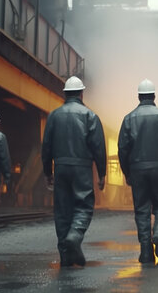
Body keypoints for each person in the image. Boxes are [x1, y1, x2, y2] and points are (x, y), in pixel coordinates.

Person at [41, 76, 107, 267]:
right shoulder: (90, 116)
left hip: (60, 167)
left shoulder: (54, 115)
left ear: (65, 93)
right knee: (84, 206)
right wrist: (102, 173)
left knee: (62, 211)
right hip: (82, 167)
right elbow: (98, 148)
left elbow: (46, 147)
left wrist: (47, 172)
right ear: (81, 93)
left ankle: (65, 257)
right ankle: (75, 235)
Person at [118, 79, 158, 263]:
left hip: (137, 170)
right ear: (154, 96)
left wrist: (127, 173)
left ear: (138, 96)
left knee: (142, 210)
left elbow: (122, 149)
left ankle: (146, 251)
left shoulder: (129, 118)